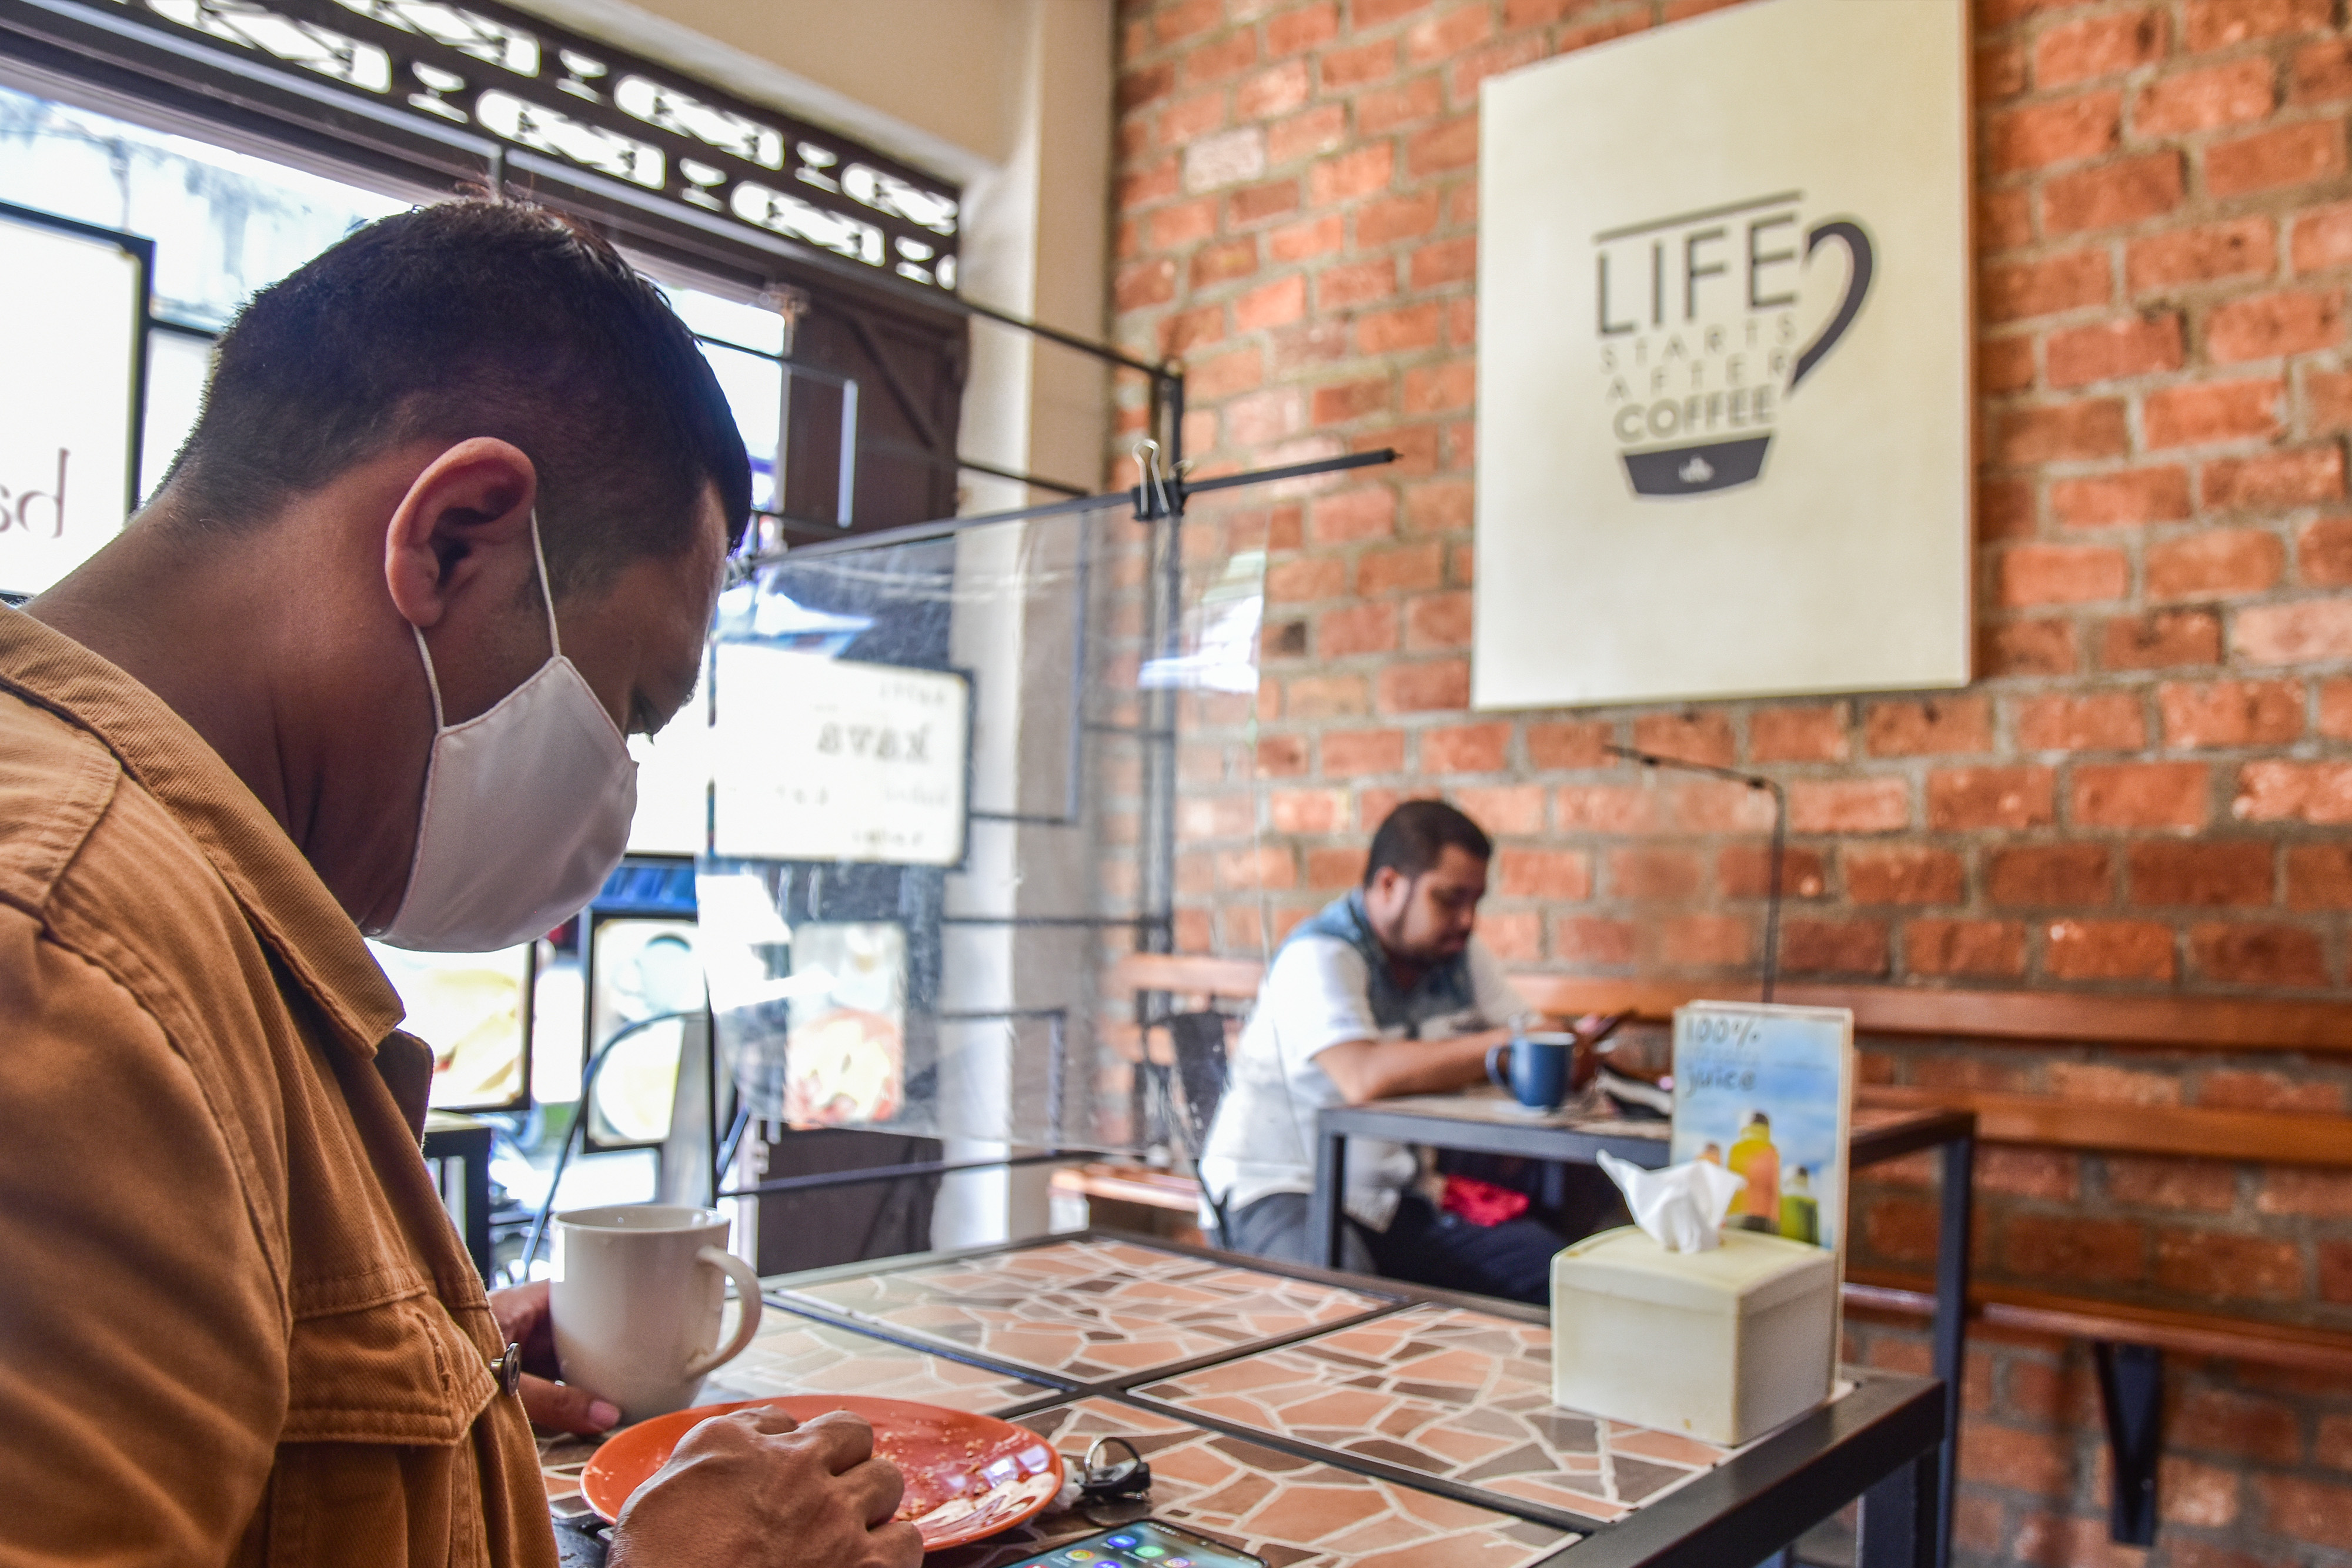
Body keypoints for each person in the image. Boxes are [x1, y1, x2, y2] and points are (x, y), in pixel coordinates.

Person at [0, 199, 920, 1568]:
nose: (614, 779)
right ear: (451, 538)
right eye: (629, 706)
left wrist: (422, 1376)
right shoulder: (63, 960)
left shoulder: (175, 912)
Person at [1197, 800, 1618, 1304]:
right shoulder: (1319, 954)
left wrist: (1562, 1049)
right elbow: (1362, 1075)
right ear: (1389, 884)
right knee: (1340, 1305)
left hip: (1392, 1198)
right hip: (1281, 1189)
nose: (1467, 920)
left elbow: (1534, 1032)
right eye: (1449, 899)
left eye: (1475, 901)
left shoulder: (1457, 956)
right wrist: (1507, 1045)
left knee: (1565, 1282)